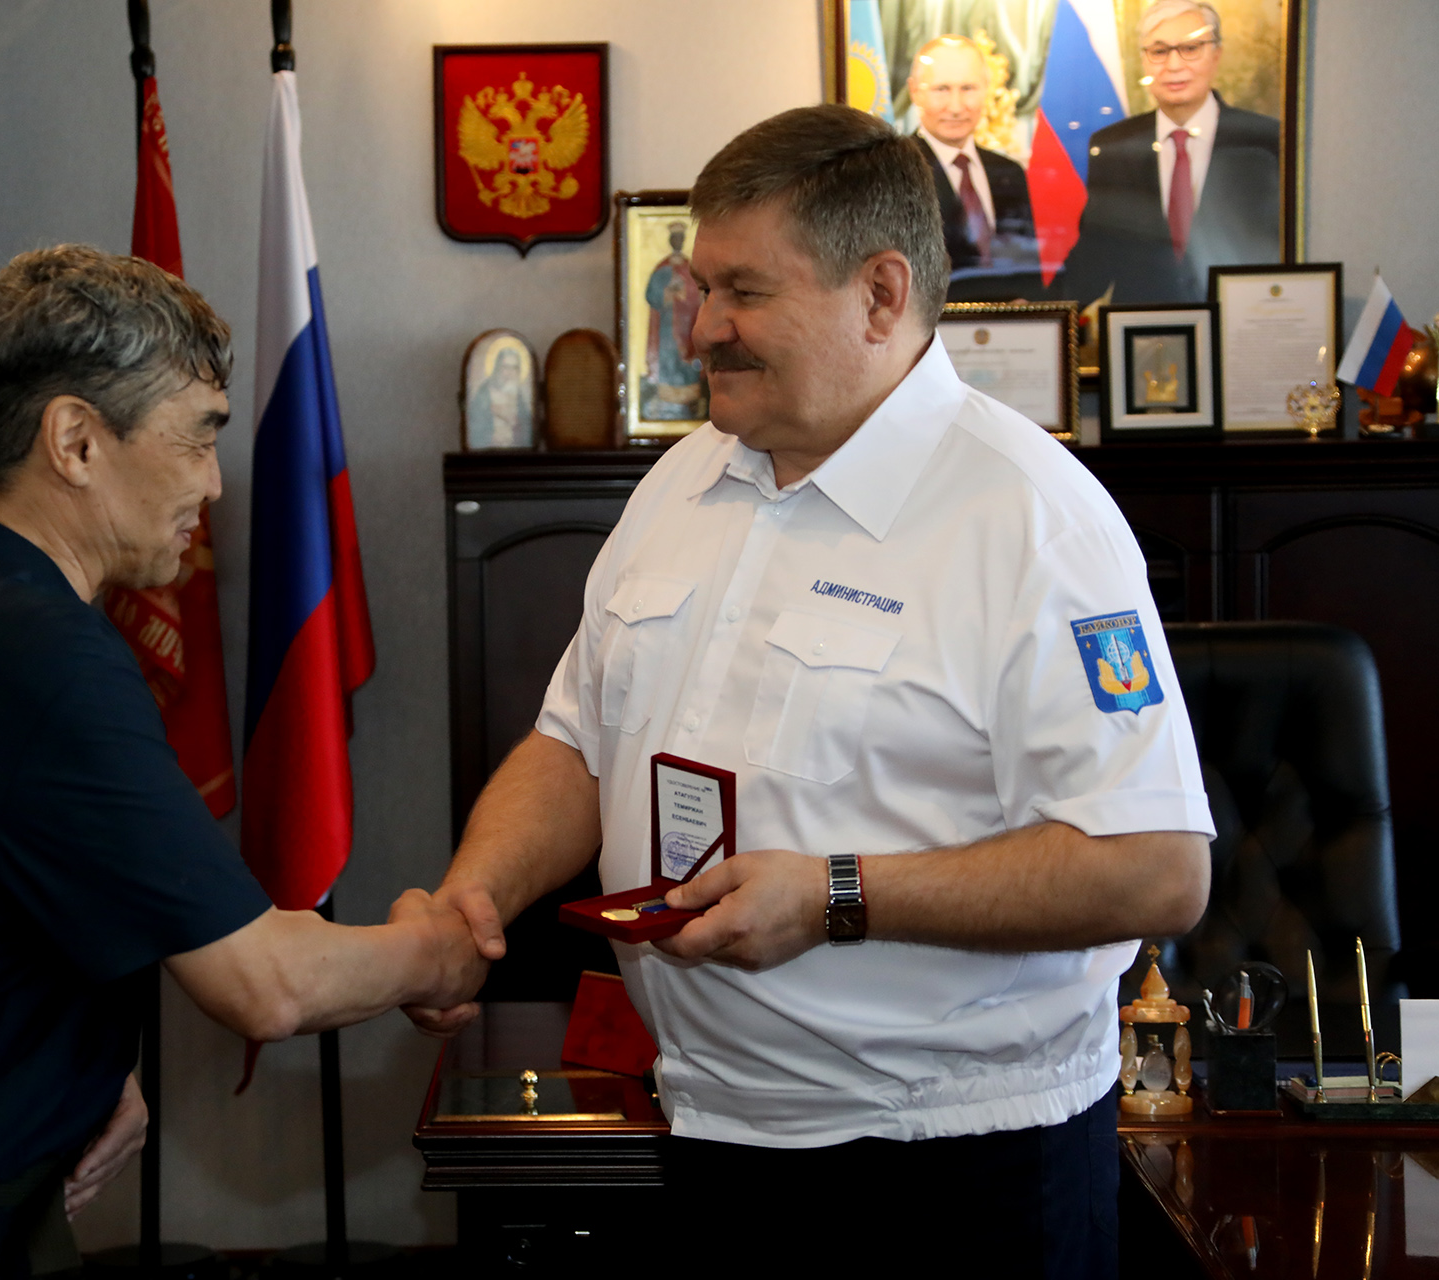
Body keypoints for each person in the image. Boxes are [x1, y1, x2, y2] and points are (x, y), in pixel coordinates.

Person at [413, 105, 1213, 1276]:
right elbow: (578, 742)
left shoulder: (1033, 520)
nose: (700, 328)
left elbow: (1155, 866)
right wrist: (472, 899)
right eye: (700, 288)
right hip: (712, 1141)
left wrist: (838, 894)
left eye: (743, 292)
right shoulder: (681, 483)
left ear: (882, 295)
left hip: (952, 1175)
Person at [0, 246, 486, 1279]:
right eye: (199, 436)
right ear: (75, 441)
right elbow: (266, 983)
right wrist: (437, 951)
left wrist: (81, 1070)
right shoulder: (43, 652)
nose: (213, 482)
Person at [1055, 0, 1281, 306]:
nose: (1174, 65)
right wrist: (1038, 312)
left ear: (1216, 55)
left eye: (1191, 48)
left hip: (1237, 320)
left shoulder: (1265, 141)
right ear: (1144, 61)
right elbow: (1094, 259)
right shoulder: (1113, 147)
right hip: (1144, 326)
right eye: (1159, 51)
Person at [905, 34, 1041, 301]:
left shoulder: (1009, 173)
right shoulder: (894, 171)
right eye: (941, 89)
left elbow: (1025, 261)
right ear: (914, 92)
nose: (956, 107)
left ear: (987, 90)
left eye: (968, 89)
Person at [641, 221, 708, 420]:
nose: (677, 241)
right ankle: (665, 398)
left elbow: (699, 295)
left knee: (686, 360)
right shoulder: (661, 268)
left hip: (687, 326)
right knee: (667, 357)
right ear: (670, 241)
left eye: (680, 238)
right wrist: (667, 293)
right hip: (666, 326)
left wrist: (684, 294)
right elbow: (651, 295)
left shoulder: (690, 267)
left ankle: (691, 399)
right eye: (674, 238)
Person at [466, 343, 533, 447]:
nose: (510, 372)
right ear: (497, 368)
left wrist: (514, 422)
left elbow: (527, 427)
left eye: (514, 368)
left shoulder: (518, 395)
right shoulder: (484, 393)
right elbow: (476, 425)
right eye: (506, 367)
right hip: (489, 449)